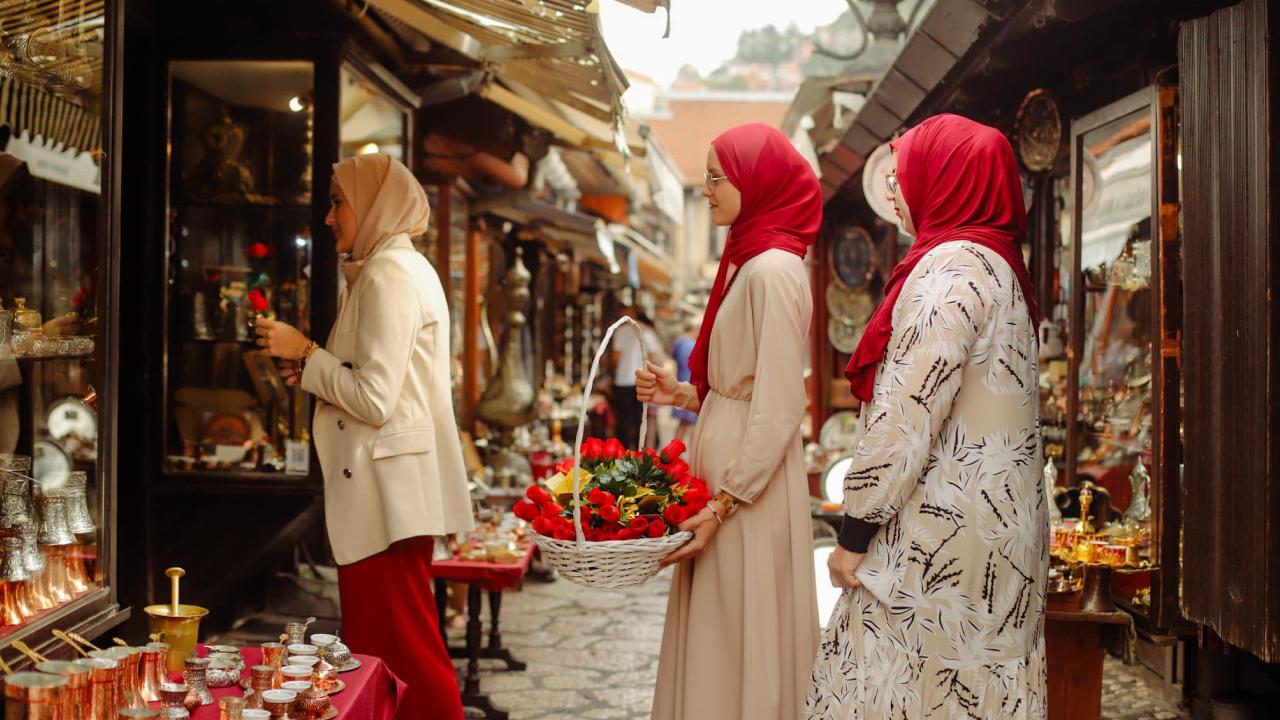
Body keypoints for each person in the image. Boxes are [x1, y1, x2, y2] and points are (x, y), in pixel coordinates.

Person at [807, 114, 1048, 719]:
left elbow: (904, 418)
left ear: (946, 178)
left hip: (937, 542)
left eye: (904, 174)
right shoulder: (998, 266)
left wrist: (854, 532)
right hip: (995, 536)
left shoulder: (951, 270)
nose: (895, 191)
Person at [255, 153, 473, 720]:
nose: (329, 217)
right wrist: (312, 370)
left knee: (402, 654)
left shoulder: (388, 275)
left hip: (385, 498)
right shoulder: (393, 269)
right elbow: (386, 385)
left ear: (372, 204)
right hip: (388, 492)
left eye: (337, 201)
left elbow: (375, 398)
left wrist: (304, 351)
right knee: (391, 651)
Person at [635, 123, 821, 720]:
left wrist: (724, 504)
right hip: (729, 480)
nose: (707, 189)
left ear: (755, 181)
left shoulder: (770, 270)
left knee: (741, 629)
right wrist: (684, 394)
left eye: (717, 177)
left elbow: (780, 405)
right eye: (708, 176)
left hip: (746, 492)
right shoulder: (748, 261)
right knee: (722, 630)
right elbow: (742, 388)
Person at [609, 303, 659, 449]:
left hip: (624, 380)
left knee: (624, 418)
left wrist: (611, 369)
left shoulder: (621, 331)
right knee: (639, 418)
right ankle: (638, 450)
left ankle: (624, 450)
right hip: (641, 380)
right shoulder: (647, 330)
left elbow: (616, 358)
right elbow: (655, 355)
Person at [669, 318, 700, 443]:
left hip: (680, 381)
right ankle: (691, 454)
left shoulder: (678, 342)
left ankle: (673, 453)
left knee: (682, 424)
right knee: (692, 425)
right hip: (691, 385)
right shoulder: (691, 345)